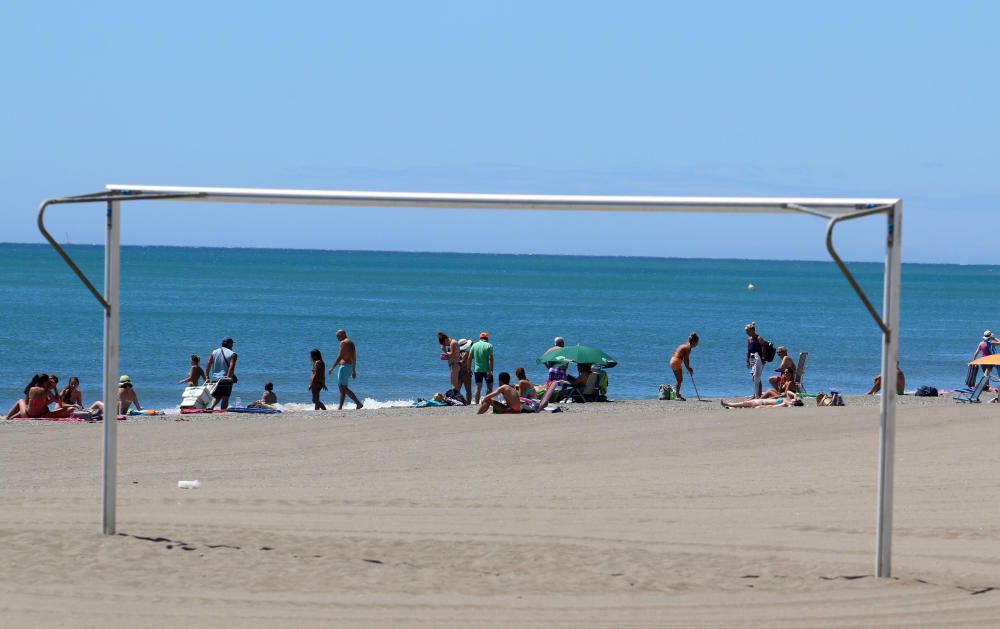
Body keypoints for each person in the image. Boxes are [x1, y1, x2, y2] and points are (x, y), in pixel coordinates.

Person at [6, 373, 72, 419]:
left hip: (28, 414)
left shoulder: (31, 389)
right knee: (69, 410)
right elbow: (58, 402)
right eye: (47, 382)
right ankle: (11, 417)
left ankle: (8, 417)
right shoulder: (47, 391)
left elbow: (27, 403)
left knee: (21, 401)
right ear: (44, 382)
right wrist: (55, 388)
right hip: (40, 415)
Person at [328, 329, 363, 410]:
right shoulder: (351, 343)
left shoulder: (343, 342)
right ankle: (340, 407)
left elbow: (340, 356)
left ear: (342, 334)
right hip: (349, 367)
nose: (337, 338)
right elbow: (354, 357)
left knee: (342, 388)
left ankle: (358, 403)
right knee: (343, 387)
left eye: (338, 336)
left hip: (343, 367)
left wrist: (332, 367)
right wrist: (354, 370)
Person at [206, 337, 238, 410]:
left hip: (215, 378)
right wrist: (229, 377)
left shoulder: (214, 352)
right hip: (225, 378)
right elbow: (231, 366)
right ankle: (222, 411)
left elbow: (208, 363)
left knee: (216, 396)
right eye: (232, 344)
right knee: (225, 397)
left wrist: (207, 375)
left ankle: (211, 407)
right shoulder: (233, 354)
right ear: (229, 344)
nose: (233, 345)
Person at [669, 332, 699, 401]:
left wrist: (688, 368)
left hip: (672, 360)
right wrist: (689, 368)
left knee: (679, 379)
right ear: (694, 342)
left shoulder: (685, 345)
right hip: (676, 361)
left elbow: (685, 359)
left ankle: (677, 394)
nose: (697, 344)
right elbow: (686, 359)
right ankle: (677, 396)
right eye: (697, 343)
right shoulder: (688, 348)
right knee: (680, 379)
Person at [470, 332, 494, 404]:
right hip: (487, 370)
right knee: (489, 388)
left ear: (480, 338)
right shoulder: (489, 345)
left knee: (478, 388)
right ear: (487, 338)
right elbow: (490, 358)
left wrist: (468, 368)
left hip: (477, 370)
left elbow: (469, 358)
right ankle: (486, 402)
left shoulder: (474, 345)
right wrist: (490, 370)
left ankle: (476, 403)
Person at [745, 322, 766, 399]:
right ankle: (756, 393)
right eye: (746, 331)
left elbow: (763, 348)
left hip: (759, 358)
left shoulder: (759, 338)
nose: (747, 333)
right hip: (752, 358)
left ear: (752, 330)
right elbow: (748, 350)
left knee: (757, 376)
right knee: (754, 377)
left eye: (748, 331)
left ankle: (757, 395)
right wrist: (747, 361)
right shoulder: (749, 339)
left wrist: (763, 358)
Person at [721, 390, 804, 408]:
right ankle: (730, 406)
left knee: (744, 403)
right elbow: (788, 392)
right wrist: (795, 395)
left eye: (795, 400)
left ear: (795, 403)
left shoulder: (787, 403)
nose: (794, 399)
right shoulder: (788, 399)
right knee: (745, 404)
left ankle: (727, 404)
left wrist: (761, 407)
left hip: (762, 403)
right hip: (761, 401)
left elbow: (774, 407)